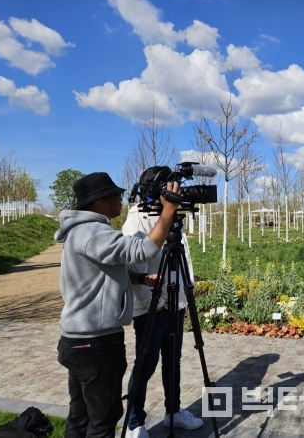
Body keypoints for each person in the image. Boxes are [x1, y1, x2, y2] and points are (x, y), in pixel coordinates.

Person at [54, 172, 181, 438]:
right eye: (117, 195)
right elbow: (144, 249)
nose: (121, 200)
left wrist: (139, 278)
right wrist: (168, 211)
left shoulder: (81, 232)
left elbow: (107, 269)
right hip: (96, 344)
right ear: (101, 201)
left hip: (79, 340)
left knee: (80, 417)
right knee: (103, 422)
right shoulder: (94, 232)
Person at [121, 166, 203, 438]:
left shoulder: (171, 216)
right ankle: (134, 423)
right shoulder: (137, 219)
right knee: (145, 363)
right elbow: (130, 266)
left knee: (173, 361)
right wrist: (152, 301)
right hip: (151, 305)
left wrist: (184, 294)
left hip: (175, 302)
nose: (175, 192)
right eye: (171, 187)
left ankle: (173, 411)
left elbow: (183, 257)